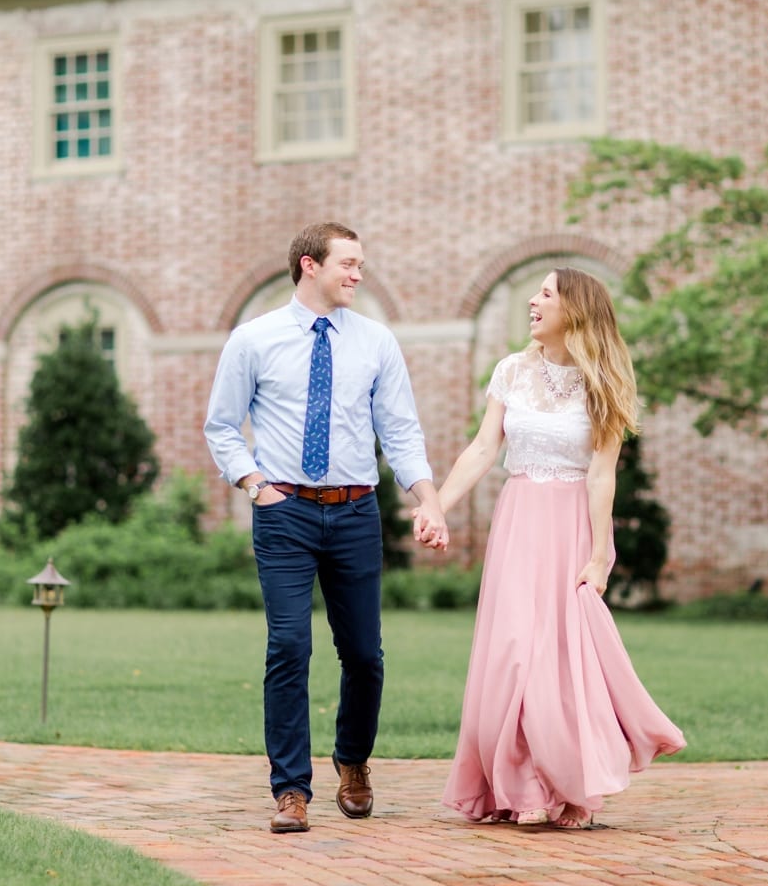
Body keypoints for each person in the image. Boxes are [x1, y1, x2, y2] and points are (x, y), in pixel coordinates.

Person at [204, 221, 449, 834]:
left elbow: (400, 431)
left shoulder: (376, 342)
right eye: (348, 263)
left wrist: (428, 499)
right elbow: (222, 426)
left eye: (361, 264)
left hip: (356, 512)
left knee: (364, 653)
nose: (358, 275)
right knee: (289, 646)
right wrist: (254, 486)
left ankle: (353, 759)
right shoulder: (253, 339)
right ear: (309, 265)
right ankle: (290, 789)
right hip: (283, 511)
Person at [434, 267, 685, 828]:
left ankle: (571, 788)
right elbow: (481, 449)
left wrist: (599, 557)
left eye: (545, 294)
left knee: (560, 660)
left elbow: (602, 475)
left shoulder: (605, 383)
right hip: (519, 522)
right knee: (512, 654)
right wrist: (437, 506)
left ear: (575, 309)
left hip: (570, 526)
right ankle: (509, 786)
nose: (532, 301)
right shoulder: (511, 372)